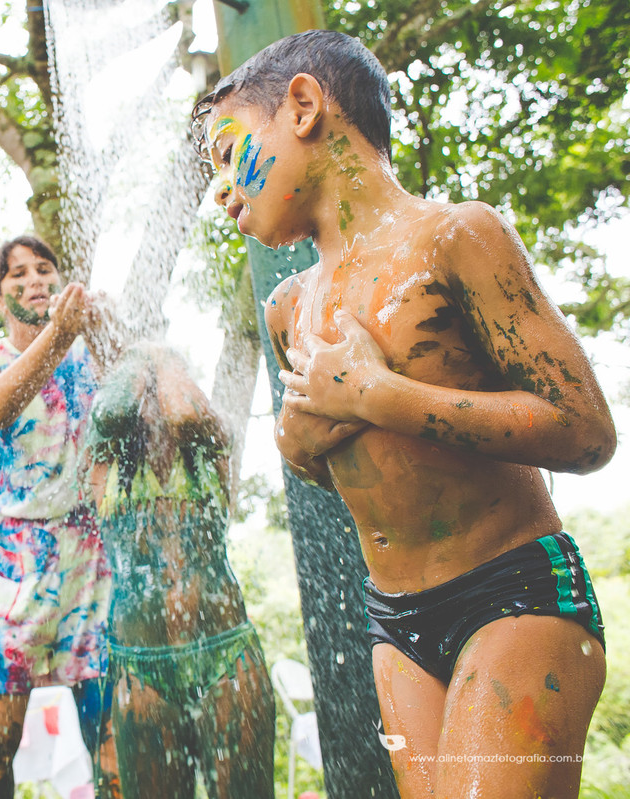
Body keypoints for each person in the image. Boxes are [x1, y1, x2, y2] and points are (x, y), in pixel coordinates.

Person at [191, 30, 616, 798]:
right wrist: (298, 441)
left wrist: (384, 397)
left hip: (513, 590)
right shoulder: (291, 307)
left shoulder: (454, 238)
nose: (219, 191)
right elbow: (346, 465)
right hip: (396, 620)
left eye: (228, 154)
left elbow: (585, 430)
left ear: (305, 106)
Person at [0, 235, 117, 797]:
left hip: (89, 565)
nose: (34, 280)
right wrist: (59, 335)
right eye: (16, 275)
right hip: (5, 572)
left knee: (119, 753)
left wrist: (105, 333)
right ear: (0, 299)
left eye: (44, 269)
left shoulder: (89, 356)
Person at [82, 344, 274, 798]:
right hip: (141, 668)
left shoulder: (212, 443)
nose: (155, 399)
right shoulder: (104, 461)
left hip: (227, 655)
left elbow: (186, 412)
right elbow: (111, 412)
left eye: (163, 383)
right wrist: (135, 362)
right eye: (145, 388)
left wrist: (162, 356)